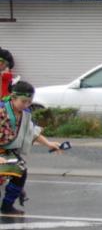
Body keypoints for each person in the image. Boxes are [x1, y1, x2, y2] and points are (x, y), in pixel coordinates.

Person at [1, 80, 65, 215]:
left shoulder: (25, 113)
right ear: (13, 97)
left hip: (8, 151)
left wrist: (49, 143)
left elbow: (31, 132)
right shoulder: (2, 111)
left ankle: (7, 206)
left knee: (20, 173)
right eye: (23, 101)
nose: (26, 105)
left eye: (29, 102)